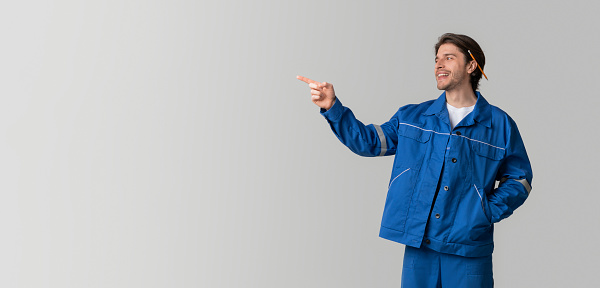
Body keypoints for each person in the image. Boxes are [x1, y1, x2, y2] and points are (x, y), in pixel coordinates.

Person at [297, 33, 533, 287]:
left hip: (468, 250)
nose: (439, 64)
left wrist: (483, 212)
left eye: (449, 58)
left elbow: (520, 179)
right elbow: (368, 142)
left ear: (471, 66)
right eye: (436, 59)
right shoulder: (413, 117)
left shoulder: (499, 125)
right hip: (421, 245)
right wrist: (333, 108)